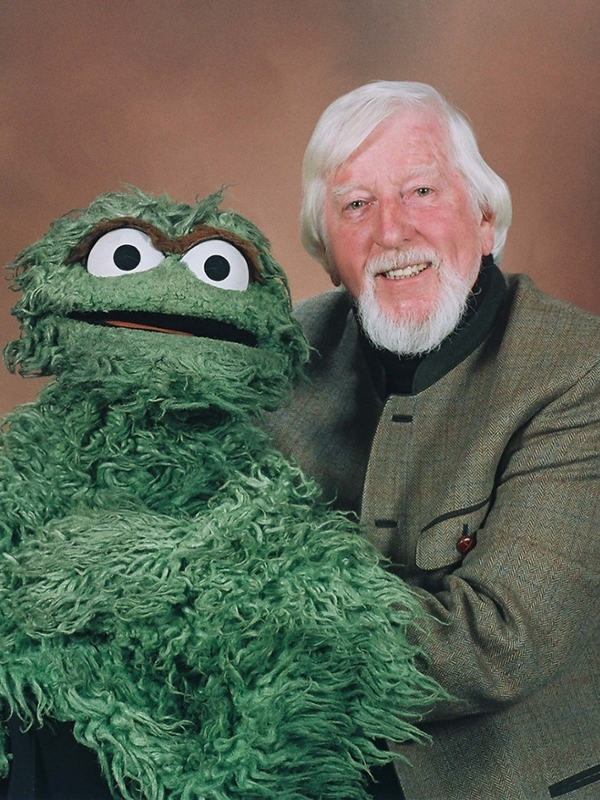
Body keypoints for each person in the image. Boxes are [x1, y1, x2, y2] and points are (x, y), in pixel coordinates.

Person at [264, 81, 600, 799]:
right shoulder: (286, 351)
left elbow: (500, 643)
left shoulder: (579, 369)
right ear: (327, 253)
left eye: (420, 191)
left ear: (484, 218)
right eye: (356, 205)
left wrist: (246, 611)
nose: (391, 232)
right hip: (294, 749)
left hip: (493, 775)